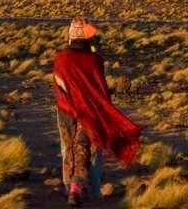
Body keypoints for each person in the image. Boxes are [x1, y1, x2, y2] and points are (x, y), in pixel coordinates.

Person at [53, 17, 142, 206]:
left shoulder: (61, 58)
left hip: (66, 110)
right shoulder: (95, 60)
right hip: (92, 111)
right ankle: (90, 189)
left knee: (68, 147)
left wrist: (69, 104)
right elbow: (100, 89)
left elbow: (59, 87)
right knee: (91, 149)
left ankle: (71, 187)